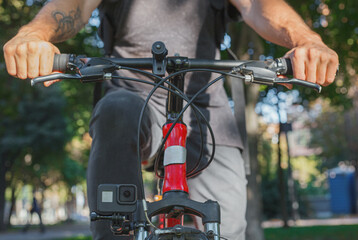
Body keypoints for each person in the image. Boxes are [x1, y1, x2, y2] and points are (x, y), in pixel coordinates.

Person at [3, 0, 339, 239]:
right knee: (117, 111)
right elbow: (73, 5)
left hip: (209, 111)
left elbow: (259, 6)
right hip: (132, 97)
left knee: (227, 229)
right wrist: (35, 34)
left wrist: (307, 40)